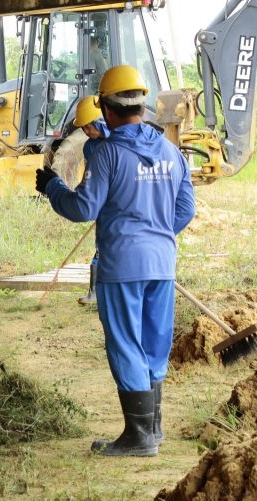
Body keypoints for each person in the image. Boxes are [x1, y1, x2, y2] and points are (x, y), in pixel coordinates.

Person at [36, 65, 195, 456]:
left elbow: (83, 208)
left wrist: (53, 187)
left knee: (126, 344)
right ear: (142, 105)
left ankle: (138, 437)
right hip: (162, 263)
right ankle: (153, 431)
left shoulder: (106, 153)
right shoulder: (172, 153)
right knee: (154, 344)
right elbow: (185, 209)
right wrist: (155, 232)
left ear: (106, 108)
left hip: (123, 265)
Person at [70, 95, 110, 306]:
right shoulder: (90, 147)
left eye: (88, 126)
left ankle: (105, 294)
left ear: (100, 122)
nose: (86, 131)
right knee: (101, 247)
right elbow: (90, 176)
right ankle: (94, 292)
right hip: (103, 204)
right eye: (83, 128)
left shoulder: (118, 141)